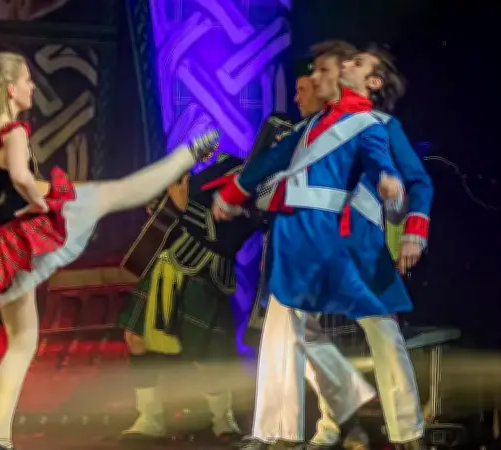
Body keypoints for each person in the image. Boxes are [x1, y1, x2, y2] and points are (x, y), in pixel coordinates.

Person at [0, 52, 219, 450]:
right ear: (9, 89)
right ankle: (188, 154)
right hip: (20, 234)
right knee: (118, 192)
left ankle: (0, 439)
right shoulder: (13, 132)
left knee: (22, 340)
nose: (32, 85)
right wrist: (39, 203)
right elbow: (21, 176)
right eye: (26, 79)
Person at [211, 40, 405, 450]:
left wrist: (402, 211)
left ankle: (389, 427)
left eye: (319, 75)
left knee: (370, 331)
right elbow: (271, 164)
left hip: (343, 246)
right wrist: (236, 193)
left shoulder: (369, 124)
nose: (309, 85)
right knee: (287, 331)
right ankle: (287, 430)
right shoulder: (305, 130)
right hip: (298, 240)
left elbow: (390, 174)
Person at [307, 46, 432, 450]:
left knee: (384, 337)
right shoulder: (320, 124)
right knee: (296, 332)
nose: (346, 64)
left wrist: (413, 231)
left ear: (374, 82)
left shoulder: (384, 125)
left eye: (357, 63)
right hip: (316, 244)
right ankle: (335, 424)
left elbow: (419, 182)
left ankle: (408, 434)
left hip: (361, 246)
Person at [117, 153, 266, 444]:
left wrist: (185, 207)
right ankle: (150, 417)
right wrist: (166, 200)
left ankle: (222, 419)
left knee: (205, 356)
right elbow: (174, 199)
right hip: (168, 263)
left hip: (208, 274)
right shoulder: (216, 165)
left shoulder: (262, 180)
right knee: (136, 337)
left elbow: (230, 235)